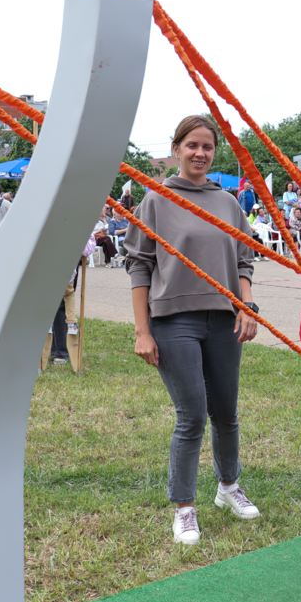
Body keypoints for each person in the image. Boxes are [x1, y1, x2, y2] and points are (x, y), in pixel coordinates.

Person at [124, 114, 261, 546]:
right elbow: (139, 266)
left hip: (223, 320)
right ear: (176, 148)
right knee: (191, 416)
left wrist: (247, 307)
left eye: (207, 147)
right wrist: (142, 332)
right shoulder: (157, 201)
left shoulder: (227, 202)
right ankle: (184, 507)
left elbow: (244, 260)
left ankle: (228, 487)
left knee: (226, 412)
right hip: (172, 321)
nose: (200, 153)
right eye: (192, 146)